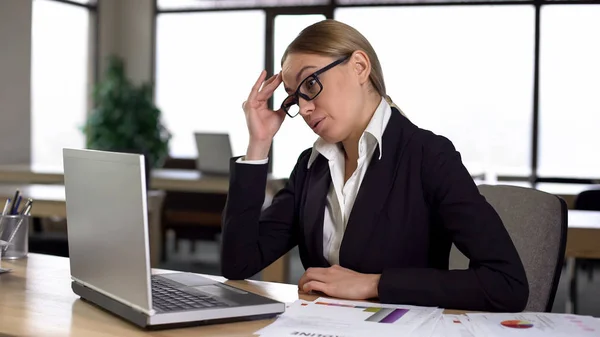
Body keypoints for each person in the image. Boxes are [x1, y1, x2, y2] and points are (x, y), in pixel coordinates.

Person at [221, 19, 528, 312]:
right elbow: (239, 263)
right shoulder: (311, 167)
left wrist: (374, 285)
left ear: (359, 67)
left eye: (311, 84)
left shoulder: (427, 155)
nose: (303, 108)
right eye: (293, 99)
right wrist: (258, 144)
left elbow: (506, 283)